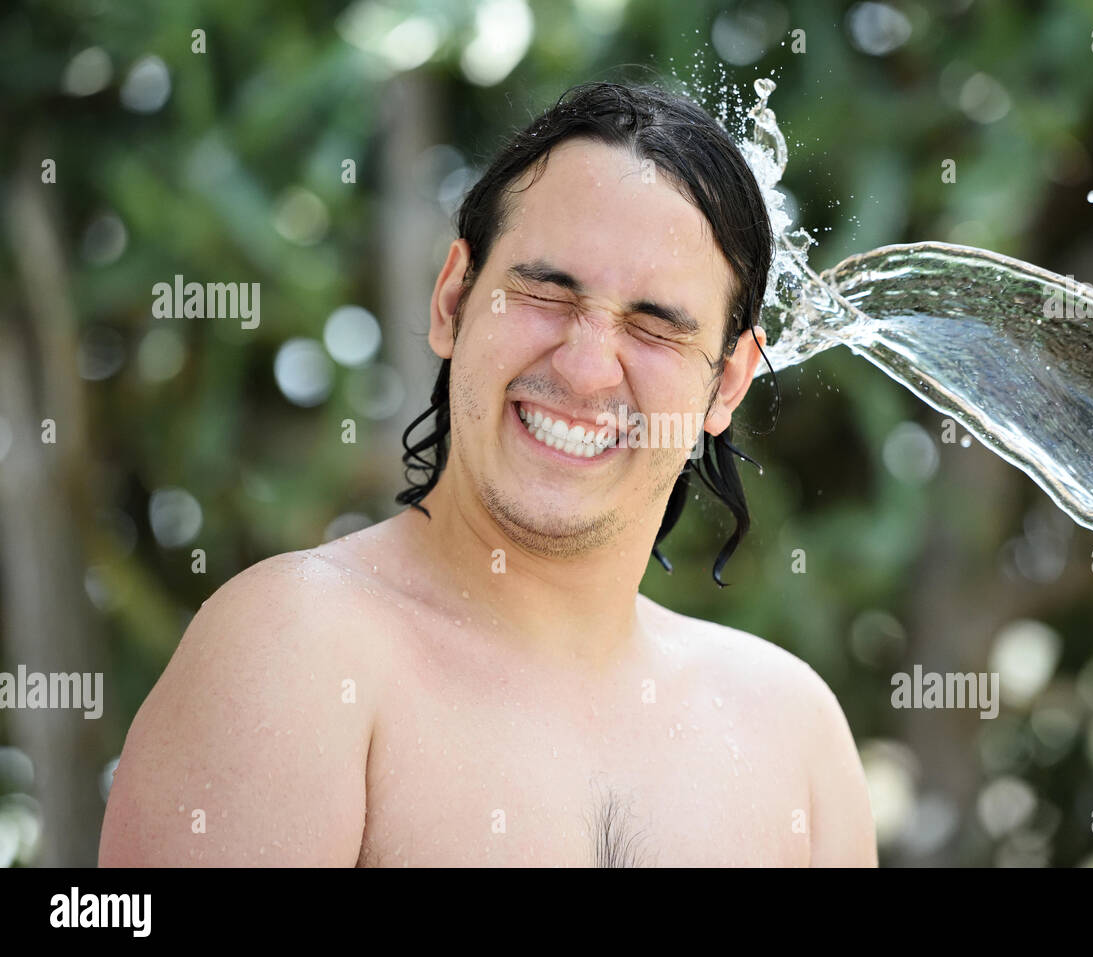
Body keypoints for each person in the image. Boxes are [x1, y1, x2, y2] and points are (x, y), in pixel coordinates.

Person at [98, 81, 877, 867]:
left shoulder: (794, 738)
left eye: (653, 326)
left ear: (729, 383)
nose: (584, 367)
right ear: (453, 297)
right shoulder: (301, 652)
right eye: (545, 291)